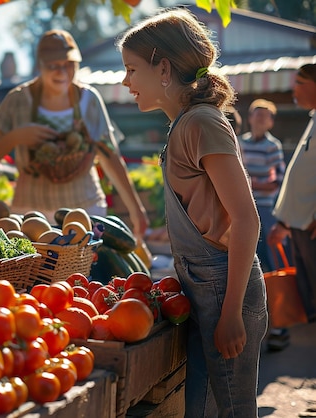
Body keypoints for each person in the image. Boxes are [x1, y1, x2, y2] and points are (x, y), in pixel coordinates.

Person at [117, 8, 267, 417]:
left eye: (131, 69)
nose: (125, 81)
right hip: (205, 285)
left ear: (163, 68)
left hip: (225, 287)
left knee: (232, 409)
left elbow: (246, 220)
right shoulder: (184, 123)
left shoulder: (201, 123)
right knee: (201, 404)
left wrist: (232, 311)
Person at [0, 29, 148, 240]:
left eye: (68, 65)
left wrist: (136, 210)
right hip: (30, 217)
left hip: (85, 211)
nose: (62, 72)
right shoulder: (18, 100)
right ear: (40, 66)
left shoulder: (89, 100)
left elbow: (109, 155)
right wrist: (16, 137)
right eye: (53, 66)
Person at [268, 64, 316, 328]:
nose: (293, 88)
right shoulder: (313, 118)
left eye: (299, 82)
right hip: (301, 224)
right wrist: (284, 223)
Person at [238, 99, 287, 273]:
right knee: (245, 252)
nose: (260, 119)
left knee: (275, 250)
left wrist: (249, 184)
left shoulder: (273, 146)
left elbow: (277, 182)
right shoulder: (239, 143)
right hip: (242, 206)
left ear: (271, 122)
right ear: (250, 118)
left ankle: (280, 291)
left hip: (265, 206)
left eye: (265, 117)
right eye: (257, 115)